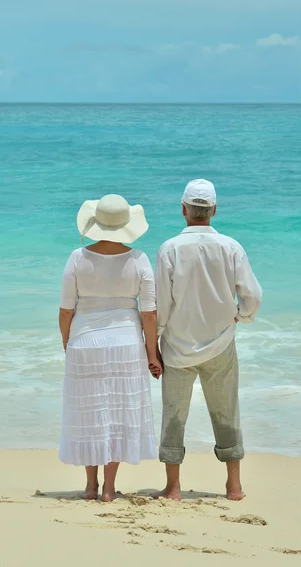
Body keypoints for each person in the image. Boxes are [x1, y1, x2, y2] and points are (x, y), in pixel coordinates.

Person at [155, 179, 262, 501]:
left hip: (176, 347)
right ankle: (234, 486)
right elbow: (252, 295)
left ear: (184, 210)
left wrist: (153, 342)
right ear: (213, 210)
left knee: (174, 414)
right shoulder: (231, 247)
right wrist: (242, 316)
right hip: (220, 343)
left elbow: (161, 303)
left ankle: (173, 488)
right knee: (227, 411)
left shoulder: (169, 248)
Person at [58, 194, 162, 502]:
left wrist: (68, 343)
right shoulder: (139, 259)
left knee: (90, 414)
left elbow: (65, 310)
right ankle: (109, 488)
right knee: (117, 414)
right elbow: (149, 313)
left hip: (84, 341)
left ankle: (90, 485)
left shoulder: (77, 257)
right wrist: (152, 354)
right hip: (127, 342)